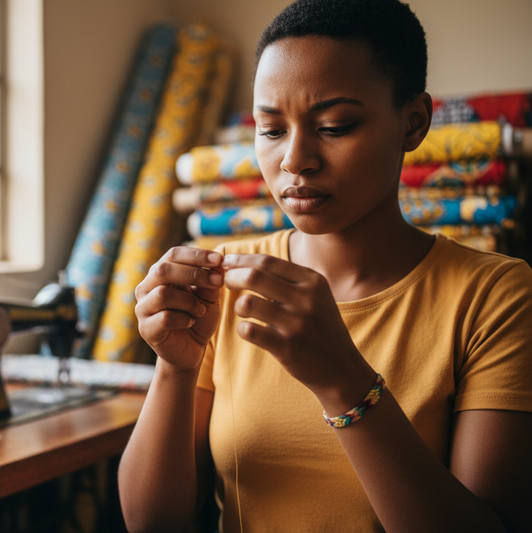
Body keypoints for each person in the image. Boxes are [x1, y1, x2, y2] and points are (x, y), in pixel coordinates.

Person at [117, 0, 532, 531]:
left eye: (334, 126)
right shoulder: (223, 285)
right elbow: (153, 524)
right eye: (271, 130)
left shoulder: (494, 296)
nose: (295, 159)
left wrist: (345, 382)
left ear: (413, 122)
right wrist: (174, 368)